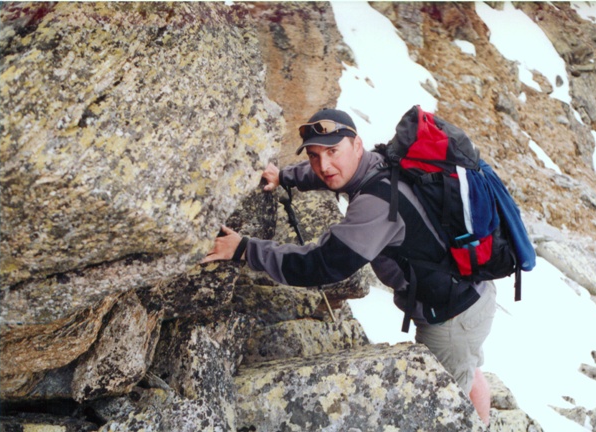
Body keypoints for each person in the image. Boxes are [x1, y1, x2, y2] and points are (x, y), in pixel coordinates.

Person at [200, 108, 496, 425]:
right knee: (468, 370)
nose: (324, 165)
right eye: (314, 155)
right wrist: (286, 176)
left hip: (451, 318)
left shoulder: (378, 202)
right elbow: (332, 175)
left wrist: (244, 249)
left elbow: (324, 264)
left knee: (445, 412)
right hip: (470, 295)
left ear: (356, 144)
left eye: (332, 151)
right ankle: (485, 420)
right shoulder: (378, 164)